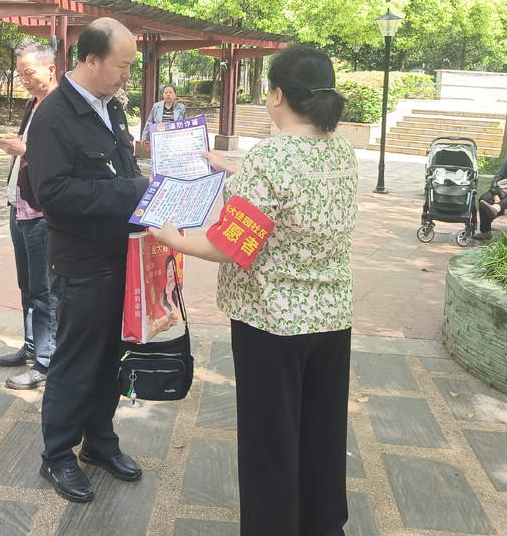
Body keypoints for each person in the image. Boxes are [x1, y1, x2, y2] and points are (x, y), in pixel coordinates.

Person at [152, 45, 358, 536]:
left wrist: (171, 237)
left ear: (277, 95)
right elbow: (294, 190)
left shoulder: (271, 156)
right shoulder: (341, 149)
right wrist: (231, 166)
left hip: (271, 322)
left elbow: (229, 244)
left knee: (271, 441)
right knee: (322, 433)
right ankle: (323, 527)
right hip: (331, 317)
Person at [26, 17, 150, 504]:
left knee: (111, 358)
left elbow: (124, 168)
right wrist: (134, 192)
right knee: (76, 361)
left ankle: (99, 442)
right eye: (122, 65)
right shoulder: (54, 116)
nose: (127, 75)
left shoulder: (111, 107)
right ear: (91, 59)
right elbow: (52, 193)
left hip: (123, 253)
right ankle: (57, 455)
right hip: (82, 262)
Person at [0, 40, 59, 391]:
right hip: (19, 203)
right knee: (27, 285)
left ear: (51, 69)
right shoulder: (32, 104)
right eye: (20, 74)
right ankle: (31, 346)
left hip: (42, 211)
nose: (24, 80)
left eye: (29, 73)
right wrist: (13, 147)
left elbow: (61, 158)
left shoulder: (62, 105)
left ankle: (46, 360)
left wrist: (24, 150)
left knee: (44, 290)